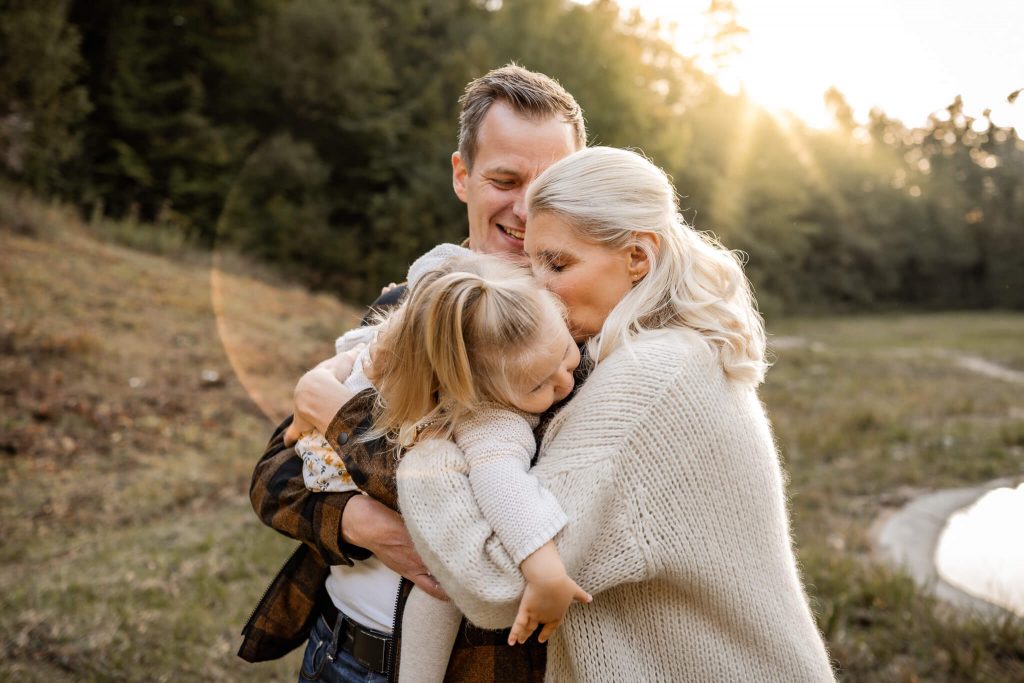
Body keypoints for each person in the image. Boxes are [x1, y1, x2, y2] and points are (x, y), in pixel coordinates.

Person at [388, 147, 837, 680]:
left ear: (637, 258)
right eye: (531, 262)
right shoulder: (667, 351)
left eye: (557, 264)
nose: (539, 288)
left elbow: (498, 581)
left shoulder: (648, 379)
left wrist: (432, 428)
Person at [239, 63, 586, 682]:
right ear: (462, 176)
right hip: (334, 646)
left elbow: (514, 517)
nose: (526, 207)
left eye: (552, 183)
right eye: (504, 179)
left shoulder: (577, 341)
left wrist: (345, 422)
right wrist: (361, 523)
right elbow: (275, 476)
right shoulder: (410, 302)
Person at [290, 248, 590, 683]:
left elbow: (437, 260)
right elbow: (500, 482)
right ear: (472, 388)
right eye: (537, 385)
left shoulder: (482, 300)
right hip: (337, 620)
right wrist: (543, 570)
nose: (564, 380)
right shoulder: (488, 418)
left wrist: (320, 390)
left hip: (344, 461)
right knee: (439, 592)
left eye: (565, 351)